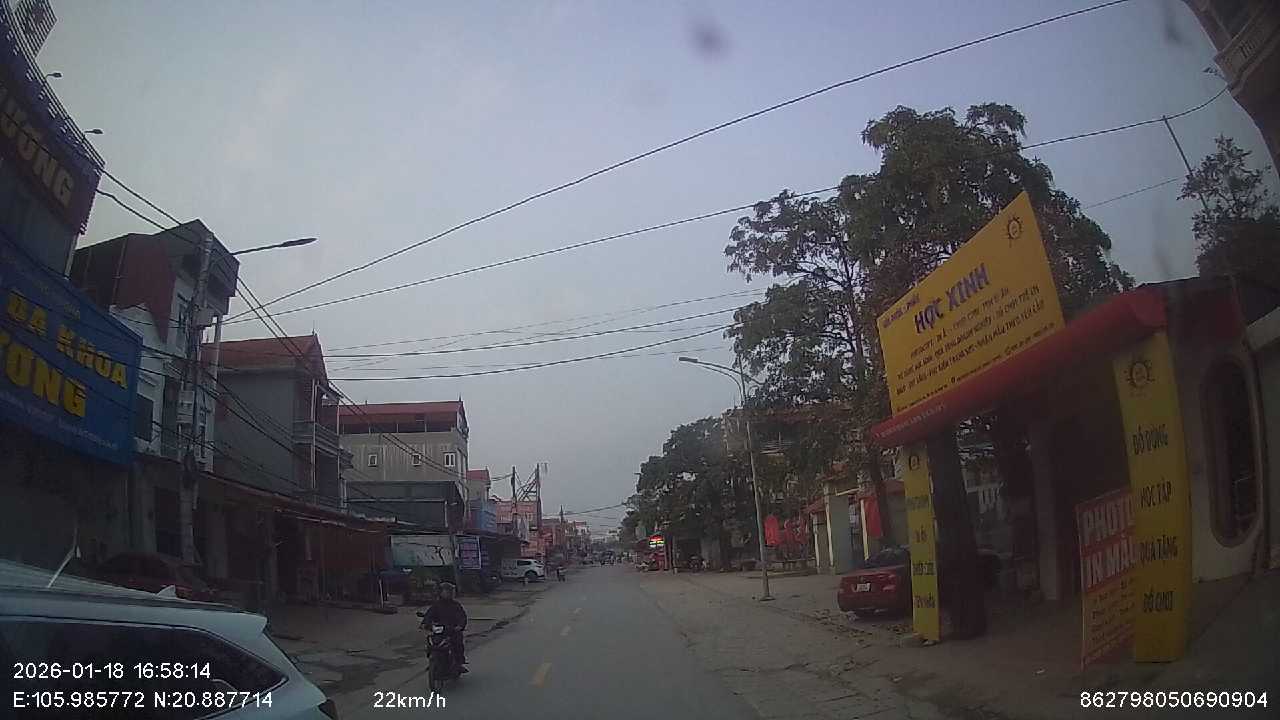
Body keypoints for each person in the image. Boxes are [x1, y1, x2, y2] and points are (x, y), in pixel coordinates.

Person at [422, 582, 468, 672]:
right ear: (440, 592)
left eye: (450, 591)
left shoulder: (456, 605)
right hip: (440, 630)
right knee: (431, 643)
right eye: (447, 591)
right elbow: (429, 615)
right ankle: (433, 661)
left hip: (452, 630)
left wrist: (460, 626)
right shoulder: (436, 605)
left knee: (458, 643)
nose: (449, 593)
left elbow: (462, 617)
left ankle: (458, 663)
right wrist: (425, 623)